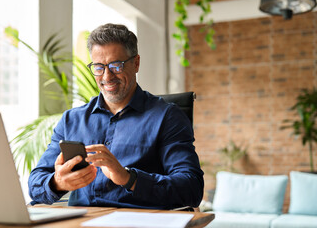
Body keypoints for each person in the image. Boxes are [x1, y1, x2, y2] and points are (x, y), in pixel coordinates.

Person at [28, 23, 204, 210]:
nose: (107, 76)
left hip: (138, 222)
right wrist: (57, 182)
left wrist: (129, 178)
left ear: (136, 63)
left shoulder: (167, 117)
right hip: (81, 222)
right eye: (98, 67)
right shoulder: (71, 120)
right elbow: (35, 183)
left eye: (116, 65)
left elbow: (191, 189)